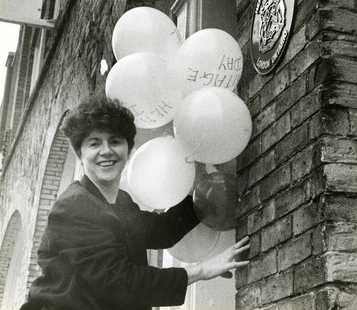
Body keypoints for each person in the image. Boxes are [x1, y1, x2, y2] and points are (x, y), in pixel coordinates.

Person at [21, 95, 249, 310]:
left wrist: (204, 186)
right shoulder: (74, 207)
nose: (106, 151)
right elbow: (121, 282)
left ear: (128, 150)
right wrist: (202, 270)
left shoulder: (119, 202)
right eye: (94, 143)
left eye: (115, 141)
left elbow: (162, 231)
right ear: (80, 155)